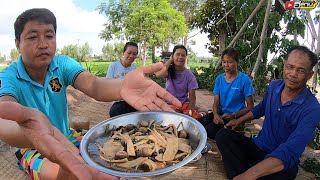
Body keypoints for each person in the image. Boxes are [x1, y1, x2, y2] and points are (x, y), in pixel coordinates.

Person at [0, 8, 181, 180]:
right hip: (30, 146)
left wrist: (123, 86)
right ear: (18, 44)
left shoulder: (61, 64)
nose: (43, 44)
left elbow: (94, 85)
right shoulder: (9, 76)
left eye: (49, 36)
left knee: (114, 152)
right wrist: (35, 133)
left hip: (68, 135)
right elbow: (3, 119)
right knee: (64, 175)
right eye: (32, 37)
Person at [216, 45, 320, 179]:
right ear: (284, 65)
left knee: (284, 173)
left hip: (281, 159)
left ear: (309, 75)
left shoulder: (312, 108)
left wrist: (249, 175)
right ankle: (247, 172)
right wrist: (238, 120)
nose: (293, 74)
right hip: (258, 146)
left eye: (300, 70)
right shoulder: (274, 86)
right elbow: (261, 108)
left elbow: (291, 150)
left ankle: (243, 173)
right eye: (290, 67)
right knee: (223, 135)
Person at [198, 48, 254, 139]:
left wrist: (234, 115)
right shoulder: (219, 79)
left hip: (236, 116)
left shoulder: (244, 80)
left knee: (208, 131)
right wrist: (216, 115)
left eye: (230, 62)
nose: (226, 65)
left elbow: (250, 106)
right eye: (224, 62)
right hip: (221, 114)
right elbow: (216, 103)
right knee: (199, 123)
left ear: (237, 62)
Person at [155, 45, 199, 111]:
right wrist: (170, 61)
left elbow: (192, 97)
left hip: (182, 104)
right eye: (178, 54)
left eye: (183, 55)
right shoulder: (169, 71)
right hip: (168, 102)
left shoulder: (190, 75)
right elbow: (158, 75)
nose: (180, 57)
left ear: (186, 57)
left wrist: (190, 110)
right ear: (173, 56)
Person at [106, 42, 138, 117]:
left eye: (134, 54)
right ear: (123, 53)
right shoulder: (114, 66)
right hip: (118, 101)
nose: (131, 56)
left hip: (131, 101)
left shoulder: (135, 69)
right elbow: (108, 85)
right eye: (129, 53)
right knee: (117, 111)